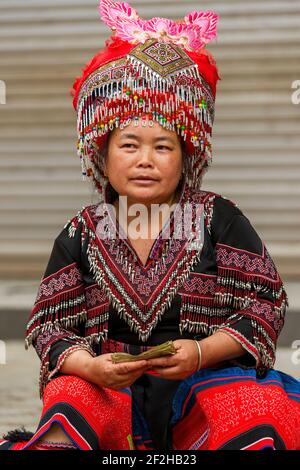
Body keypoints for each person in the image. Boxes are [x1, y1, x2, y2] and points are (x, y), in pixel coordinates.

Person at [1, 0, 299, 451]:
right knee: (69, 395)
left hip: (206, 385)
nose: (145, 160)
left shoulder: (221, 219)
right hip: (112, 394)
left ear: (187, 157)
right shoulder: (81, 232)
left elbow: (265, 307)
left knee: (252, 408)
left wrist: (201, 352)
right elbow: (51, 328)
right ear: (102, 153)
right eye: (129, 145)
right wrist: (91, 367)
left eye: (163, 146)